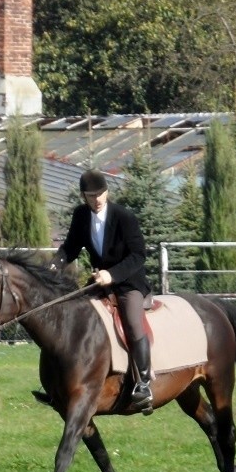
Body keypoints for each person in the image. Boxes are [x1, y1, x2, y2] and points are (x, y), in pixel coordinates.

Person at [51, 169, 154, 413]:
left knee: (132, 321)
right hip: (99, 282)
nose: (97, 199)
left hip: (129, 282)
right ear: (83, 196)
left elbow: (139, 255)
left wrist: (113, 274)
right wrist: (53, 265)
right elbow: (71, 247)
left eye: (101, 194)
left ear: (107, 191)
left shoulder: (124, 217)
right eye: (91, 195)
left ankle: (144, 384)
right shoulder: (80, 215)